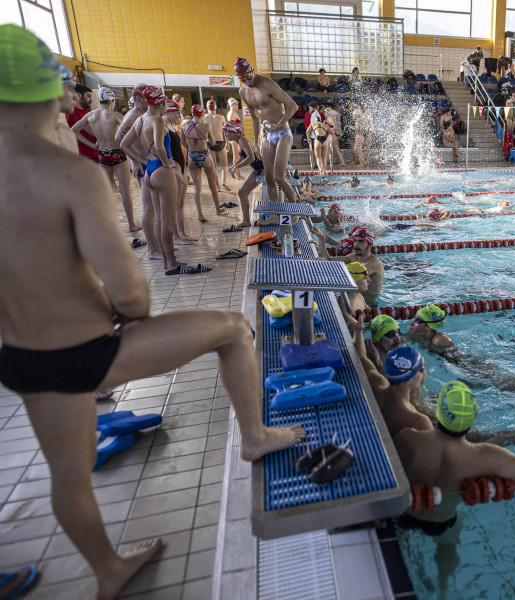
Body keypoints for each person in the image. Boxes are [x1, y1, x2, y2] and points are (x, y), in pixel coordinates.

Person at [0, 26, 305, 600]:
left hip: (20, 361)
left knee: (68, 476)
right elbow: (134, 298)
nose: (74, 98)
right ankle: (256, 436)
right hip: (89, 353)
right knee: (234, 331)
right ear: (48, 91)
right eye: (67, 87)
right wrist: (110, 310)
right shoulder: (67, 174)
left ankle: (108, 570)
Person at [391, 380, 515, 538]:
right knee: (451, 540)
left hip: (403, 515)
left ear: (439, 412)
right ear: (472, 419)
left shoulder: (408, 438)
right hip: (443, 520)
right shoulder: (484, 456)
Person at [119, 86, 189, 273]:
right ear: (160, 103)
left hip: (149, 172)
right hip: (162, 171)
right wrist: (169, 165)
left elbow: (123, 143)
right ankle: (172, 263)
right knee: (167, 221)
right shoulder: (157, 121)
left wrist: (142, 161)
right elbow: (159, 147)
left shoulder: (140, 120)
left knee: (158, 219)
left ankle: (166, 260)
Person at [71, 87, 141, 233]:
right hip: (118, 153)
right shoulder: (115, 116)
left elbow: (74, 130)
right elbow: (129, 132)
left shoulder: (91, 115)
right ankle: (131, 224)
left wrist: (93, 145)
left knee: (108, 192)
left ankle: (111, 226)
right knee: (125, 190)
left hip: (103, 154)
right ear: (111, 100)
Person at [236, 57, 300, 205]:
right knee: (268, 177)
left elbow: (293, 106)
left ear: (252, 71)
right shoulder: (243, 91)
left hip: (283, 133)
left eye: (248, 77)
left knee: (279, 177)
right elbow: (254, 118)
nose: (246, 81)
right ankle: (275, 214)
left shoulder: (267, 84)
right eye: (242, 79)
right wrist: (257, 143)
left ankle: (295, 210)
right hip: (267, 135)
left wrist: (278, 125)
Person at [182, 103, 224, 221]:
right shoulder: (206, 126)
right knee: (212, 185)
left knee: (197, 187)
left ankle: (200, 214)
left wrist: (192, 146)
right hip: (204, 155)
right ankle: (218, 209)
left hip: (192, 156)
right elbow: (213, 142)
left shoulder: (185, 125)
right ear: (202, 114)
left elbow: (183, 143)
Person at [163, 99, 194, 245]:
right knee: (174, 205)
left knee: (180, 204)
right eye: (176, 112)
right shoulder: (162, 127)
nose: (179, 115)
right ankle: (175, 236)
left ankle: (181, 233)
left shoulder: (170, 125)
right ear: (167, 112)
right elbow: (162, 150)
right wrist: (175, 169)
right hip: (173, 170)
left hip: (180, 168)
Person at [224, 120, 264, 228]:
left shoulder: (242, 140)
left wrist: (236, 167)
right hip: (258, 169)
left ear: (233, 132)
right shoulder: (239, 141)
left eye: (227, 132)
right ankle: (246, 221)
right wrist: (234, 167)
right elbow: (243, 156)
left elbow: (251, 158)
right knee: (242, 192)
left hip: (264, 169)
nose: (225, 135)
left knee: (271, 195)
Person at [333, 226, 384, 306]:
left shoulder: (375, 262)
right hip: (356, 297)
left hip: (369, 304)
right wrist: (322, 238)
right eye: (355, 241)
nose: (356, 245)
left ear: (369, 245)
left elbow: (357, 272)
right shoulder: (353, 257)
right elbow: (329, 261)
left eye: (361, 241)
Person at [203, 99, 232, 191]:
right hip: (220, 143)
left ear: (207, 108)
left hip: (210, 143)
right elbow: (226, 132)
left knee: (214, 166)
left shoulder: (204, 117)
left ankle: (218, 186)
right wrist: (228, 143)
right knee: (224, 165)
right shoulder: (221, 117)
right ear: (216, 107)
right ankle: (224, 182)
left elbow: (202, 133)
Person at [66, 82, 99, 162]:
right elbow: (92, 131)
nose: (91, 99)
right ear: (78, 95)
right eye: (88, 96)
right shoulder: (74, 111)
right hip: (86, 154)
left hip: (93, 150)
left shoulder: (84, 109)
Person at [226, 97, 244, 180]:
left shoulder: (233, 112)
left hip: (236, 137)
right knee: (237, 156)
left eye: (237, 104)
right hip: (234, 138)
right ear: (231, 105)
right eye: (235, 104)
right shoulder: (231, 114)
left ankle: (237, 173)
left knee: (237, 156)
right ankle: (237, 174)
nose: (237, 105)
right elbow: (229, 127)